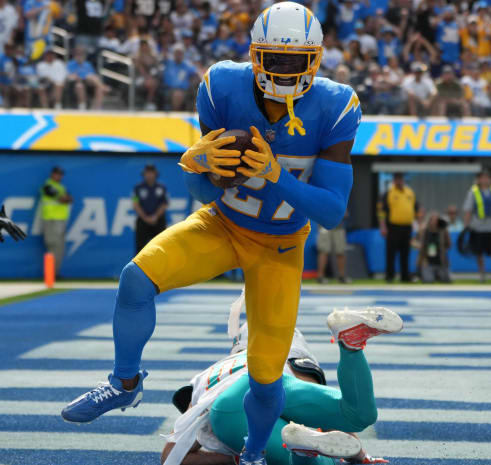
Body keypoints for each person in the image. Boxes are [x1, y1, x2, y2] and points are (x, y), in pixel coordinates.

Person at [62, 5, 361, 465]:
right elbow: (206, 190)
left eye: (293, 60)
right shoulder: (222, 85)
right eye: (272, 58)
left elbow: (333, 212)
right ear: (254, 56)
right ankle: (124, 382)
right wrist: (194, 164)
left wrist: (275, 173)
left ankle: (254, 455)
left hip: (281, 246)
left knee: (265, 376)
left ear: (315, 60)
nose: (282, 69)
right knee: (136, 279)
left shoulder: (335, 104)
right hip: (222, 225)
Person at [161, 302, 403, 465]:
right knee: (359, 415)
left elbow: (170, 456)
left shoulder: (210, 374)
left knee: (306, 449)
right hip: (274, 383)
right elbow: (332, 428)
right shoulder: (292, 362)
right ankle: (350, 344)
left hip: (228, 405)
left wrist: (231, 458)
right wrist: (363, 457)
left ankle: (301, 450)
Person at [462, 169, 491, 282]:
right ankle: (482, 275)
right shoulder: (473, 192)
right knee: (479, 253)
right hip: (477, 227)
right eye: (482, 178)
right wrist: (466, 226)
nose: (485, 180)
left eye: (487, 178)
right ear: (478, 180)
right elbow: (468, 210)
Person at [377, 173, 418, 283]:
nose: (399, 181)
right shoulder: (388, 193)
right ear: (394, 180)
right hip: (393, 227)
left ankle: (405, 276)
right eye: (397, 179)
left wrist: (416, 224)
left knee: (405, 252)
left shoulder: (409, 192)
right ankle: (389, 275)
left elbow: (415, 209)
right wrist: (383, 226)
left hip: (407, 227)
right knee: (391, 252)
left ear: (403, 180)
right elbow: (381, 211)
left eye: (401, 179)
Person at [40, 166, 72, 276]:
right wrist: (65, 198)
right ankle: (50, 274)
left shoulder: (61, 187)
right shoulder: (47, 185)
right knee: (53, 247)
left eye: (60, 174)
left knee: (59, 249)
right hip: (51, 220)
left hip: (61, 220)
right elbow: (63, 199)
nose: (59, 176)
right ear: (52, 174)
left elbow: (70, 199)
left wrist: (66, 198)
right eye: (57, 174)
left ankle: (54, 273)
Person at [133, 164, 168, 254]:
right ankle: (138, 267)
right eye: (147, 173)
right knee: (140, 248)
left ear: (155, 174)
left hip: (158, 220)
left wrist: (155, 216)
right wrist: (145, 218)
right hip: (143, 220)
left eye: (151, 173)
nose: (149, 175)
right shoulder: (138, 188)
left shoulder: (161, 187)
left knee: (161, 245)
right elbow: (135, 204)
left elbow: (164, 204)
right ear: (144, 174)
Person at [417, 212, 451, 283]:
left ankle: (438, 275)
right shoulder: (425, 231)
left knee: (446, 280)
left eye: (436, 220)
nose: (434, 222)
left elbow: (449, 244)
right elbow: (418, 244)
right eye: (433, 220)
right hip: (428, 262)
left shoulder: (443, 231)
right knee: (428, 280)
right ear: (429, 221)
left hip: (440, 262)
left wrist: (443, 251)